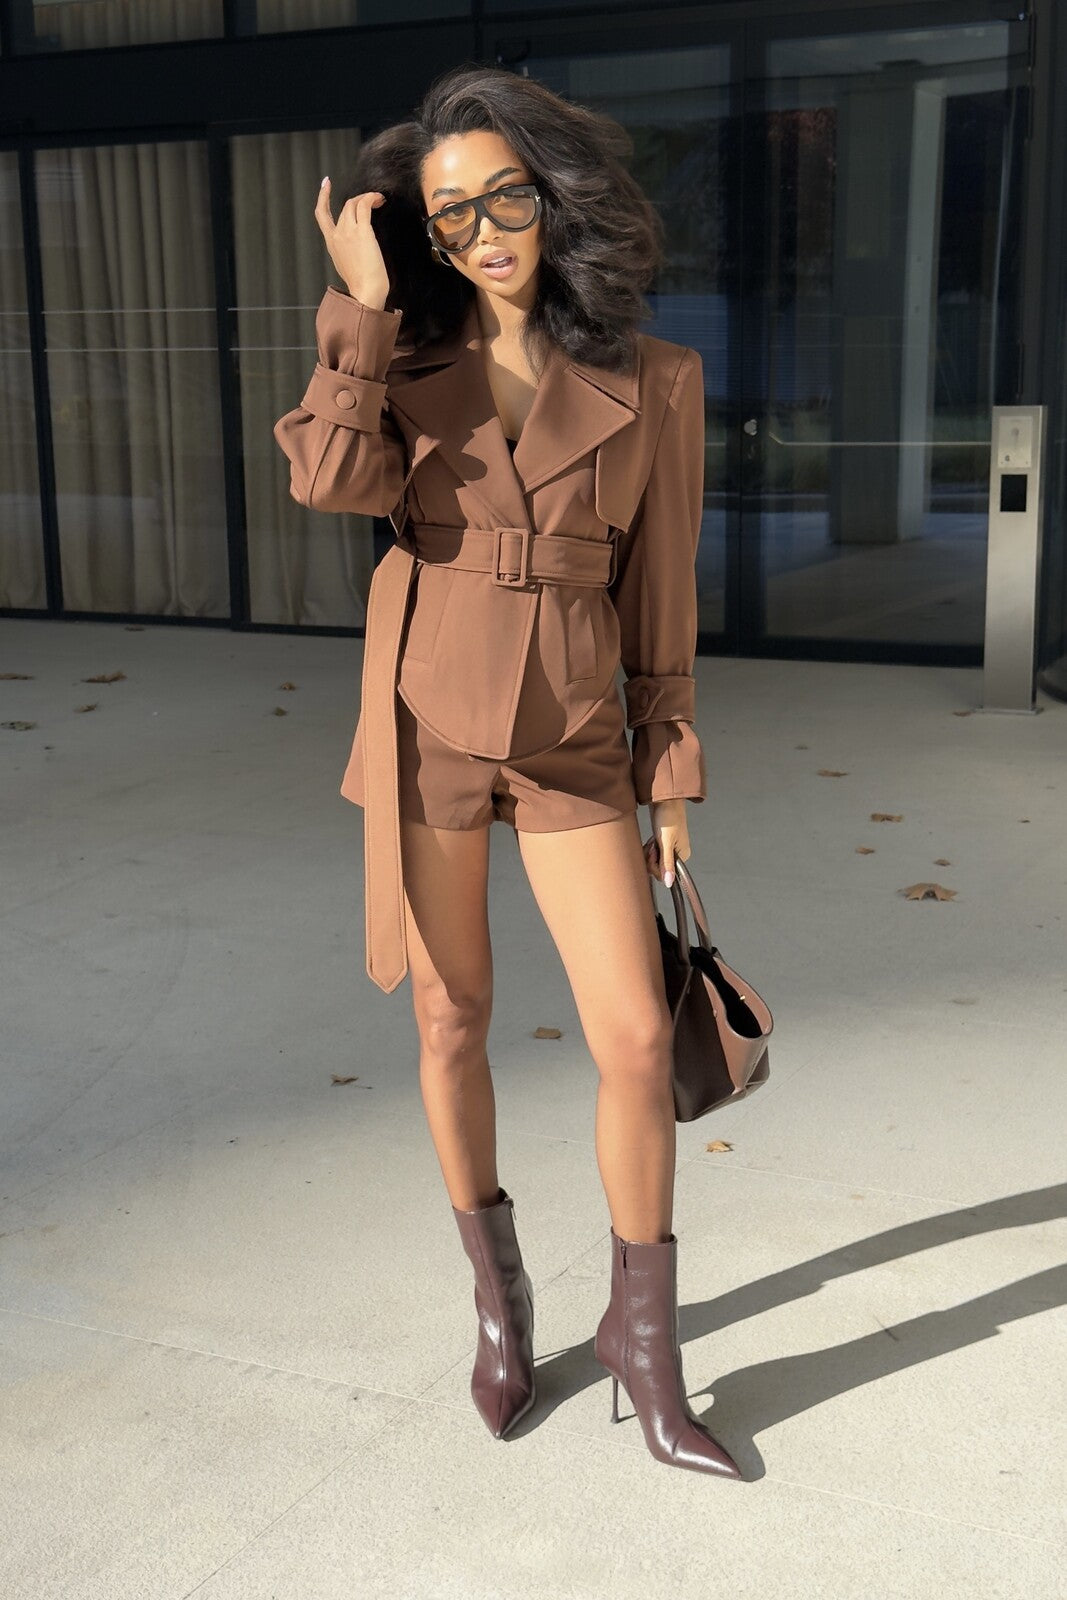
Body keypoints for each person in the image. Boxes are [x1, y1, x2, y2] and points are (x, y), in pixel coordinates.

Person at [273, 63, 740, 1481]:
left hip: (577, 731)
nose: (483, 231)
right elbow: (327, 483)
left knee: (639, 1039)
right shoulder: (398, 358)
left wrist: (668, 773)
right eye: (450, 212)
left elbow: (663, 596)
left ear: (557, 194)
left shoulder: (657, 380)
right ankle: (502, 1302)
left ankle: (644, 1347)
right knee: (450, 1019)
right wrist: (359, 302)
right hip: (429, 720)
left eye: (505, 197)